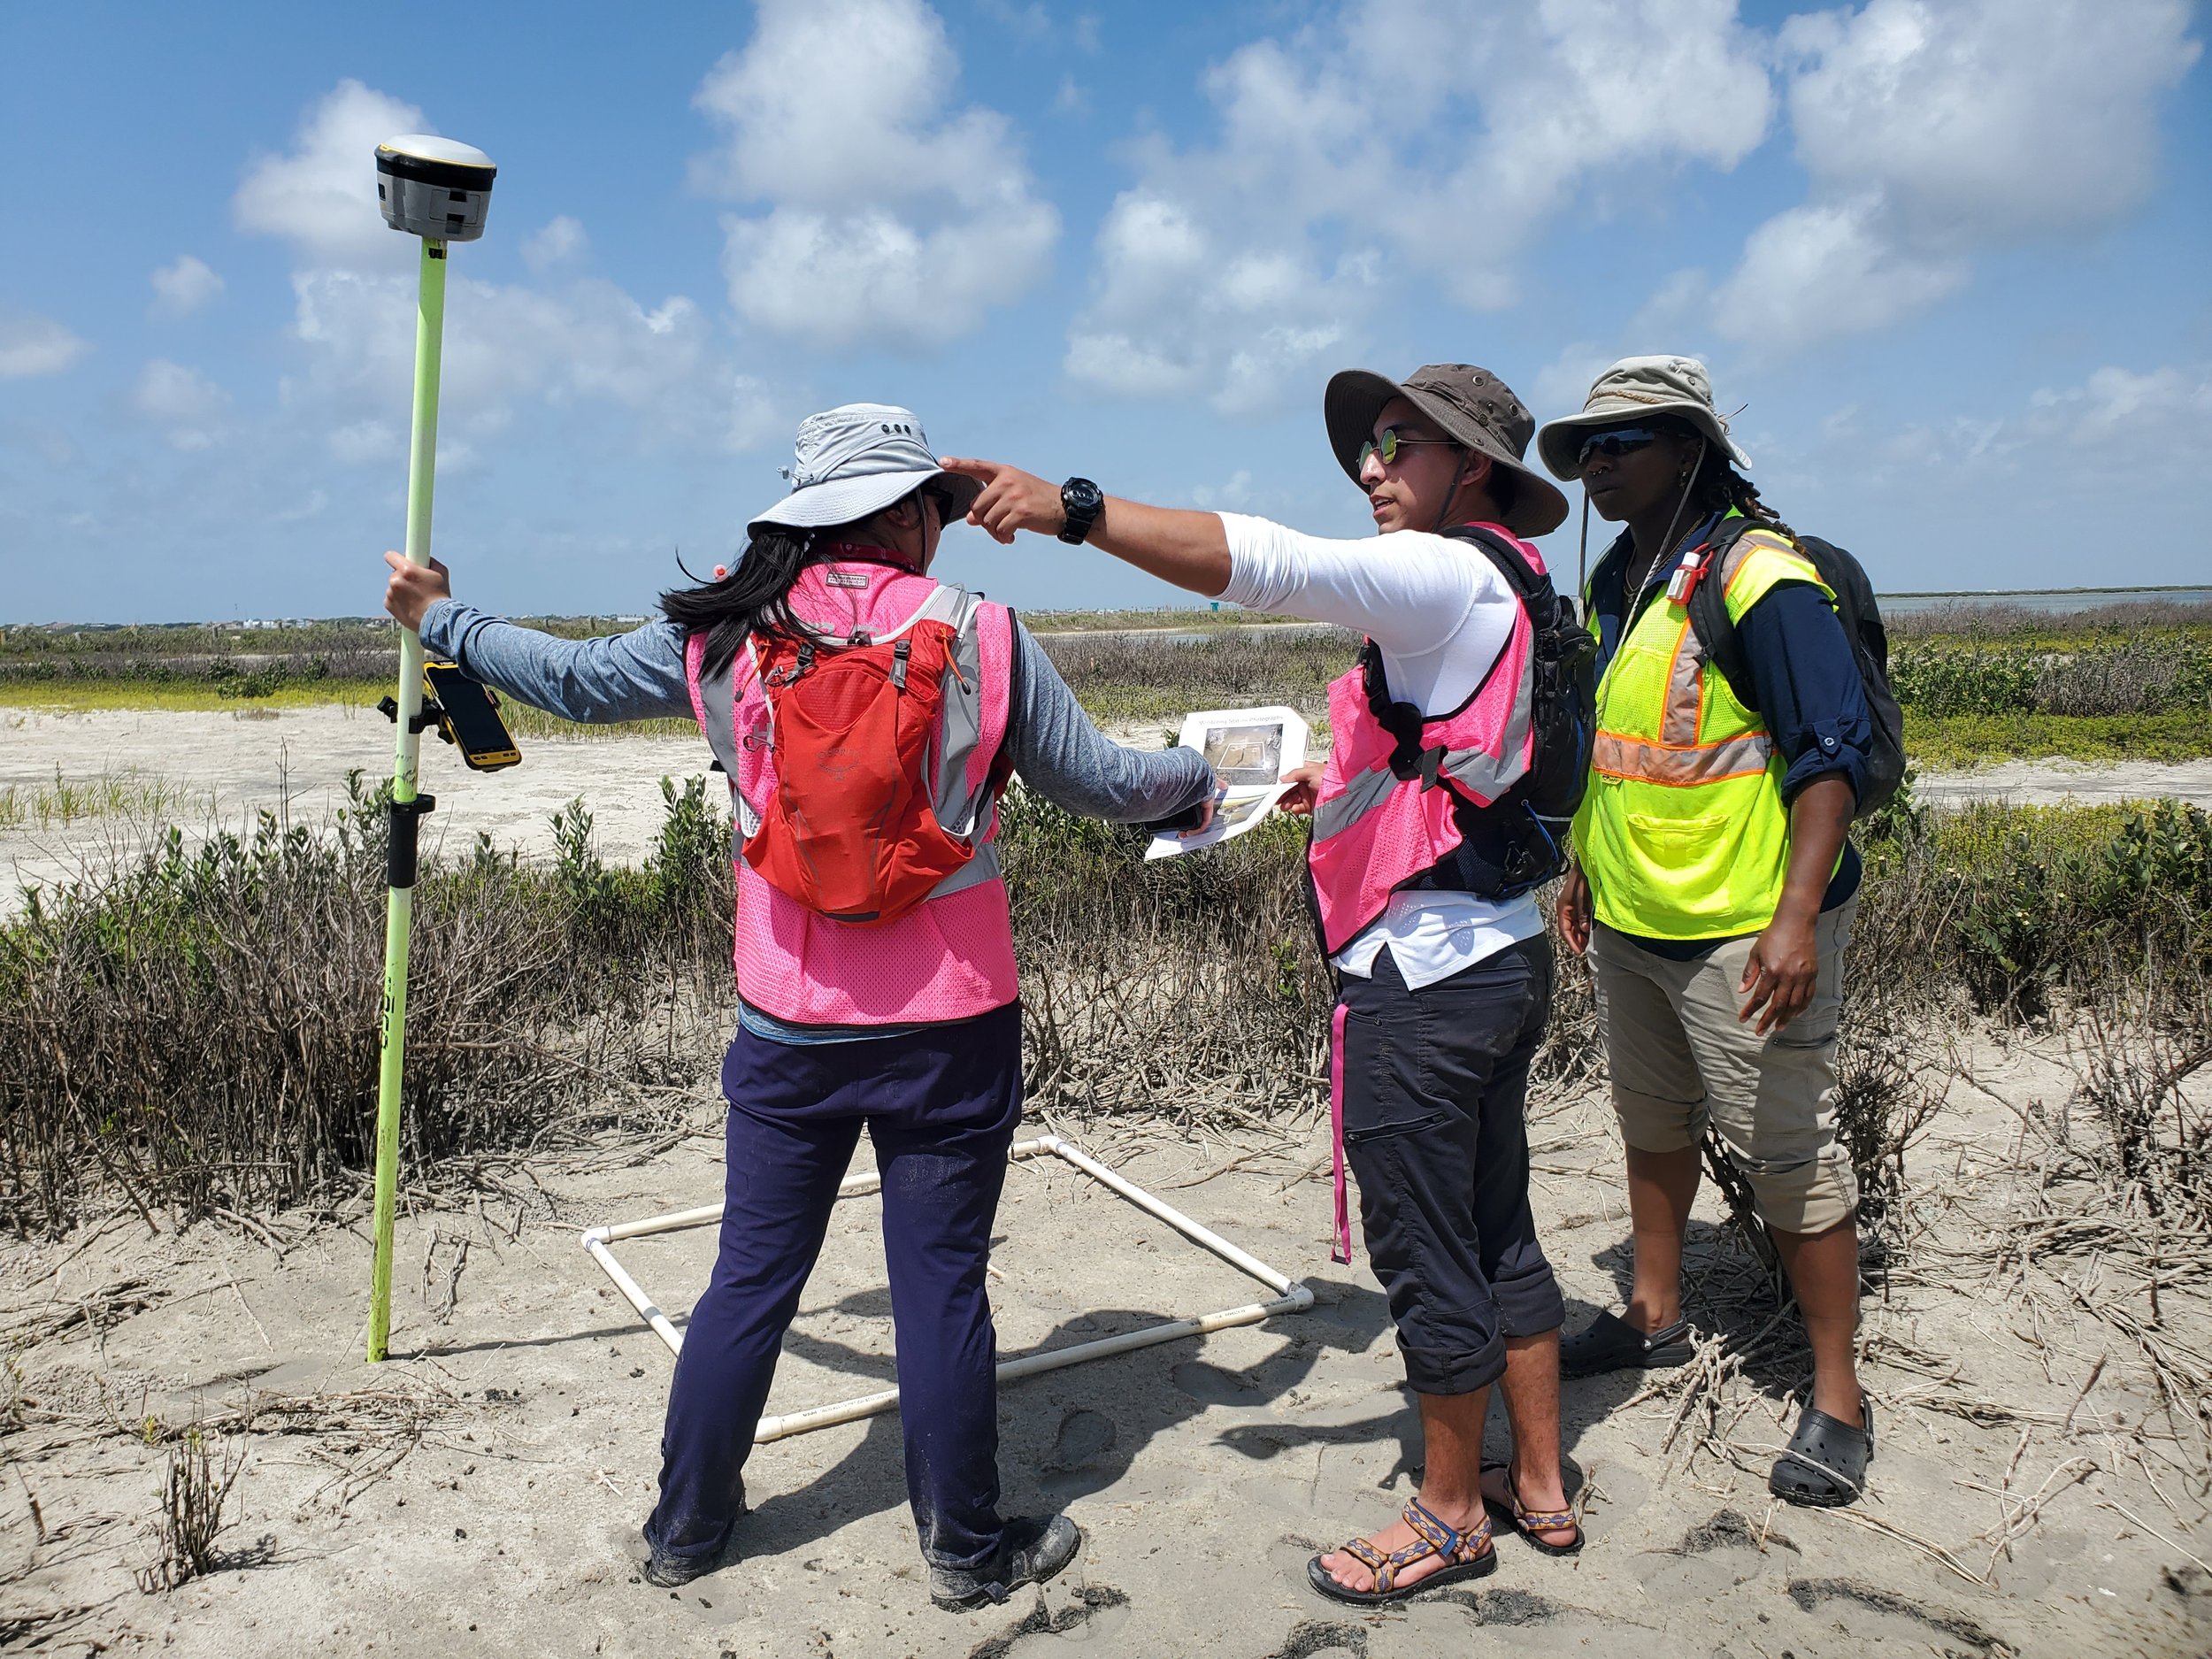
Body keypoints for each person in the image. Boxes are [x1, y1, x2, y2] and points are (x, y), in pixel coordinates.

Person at [380, 403, 1217, 1607]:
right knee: (940, 1286)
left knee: (750, 1280)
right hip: (952, 1023)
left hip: (787, 1026)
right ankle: (965, 1552)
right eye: (933, 507)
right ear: (909, 515)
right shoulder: (981, 628)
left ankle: (685, 1532)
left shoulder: (721, 631)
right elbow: (1100, 783)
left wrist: (440, 615)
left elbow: (561, 680)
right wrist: (1196, 781)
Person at [941, 364, 1586, 1604]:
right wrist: (1338, 781)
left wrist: (1072, 508)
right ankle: (1541, 1482)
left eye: (1404, 445)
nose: (1373, 466)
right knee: (1500, 1217)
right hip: (1501, 950)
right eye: (1372, 444)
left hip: (1422, 983)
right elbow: (1455, 756)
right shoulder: (1518, 578)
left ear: (1478, 470)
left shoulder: (1446, 572)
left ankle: (1451, 1511)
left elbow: (1274, 564)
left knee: (1425, 1244)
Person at [1532, 357, 1876, 1508]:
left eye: (1622, 443)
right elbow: (1621, 745)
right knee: (1653, 1127)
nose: (1597, 465)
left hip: (1744, 933)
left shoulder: (1760, 575)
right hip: (1633, 922)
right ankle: (1655, 1314)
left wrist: (1794, 922)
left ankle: (1838, 1399)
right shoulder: (1621, 580)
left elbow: (1828, 754)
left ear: (1691, 447)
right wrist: (1584, 860)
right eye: (1587, 448)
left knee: (1787, 1161)